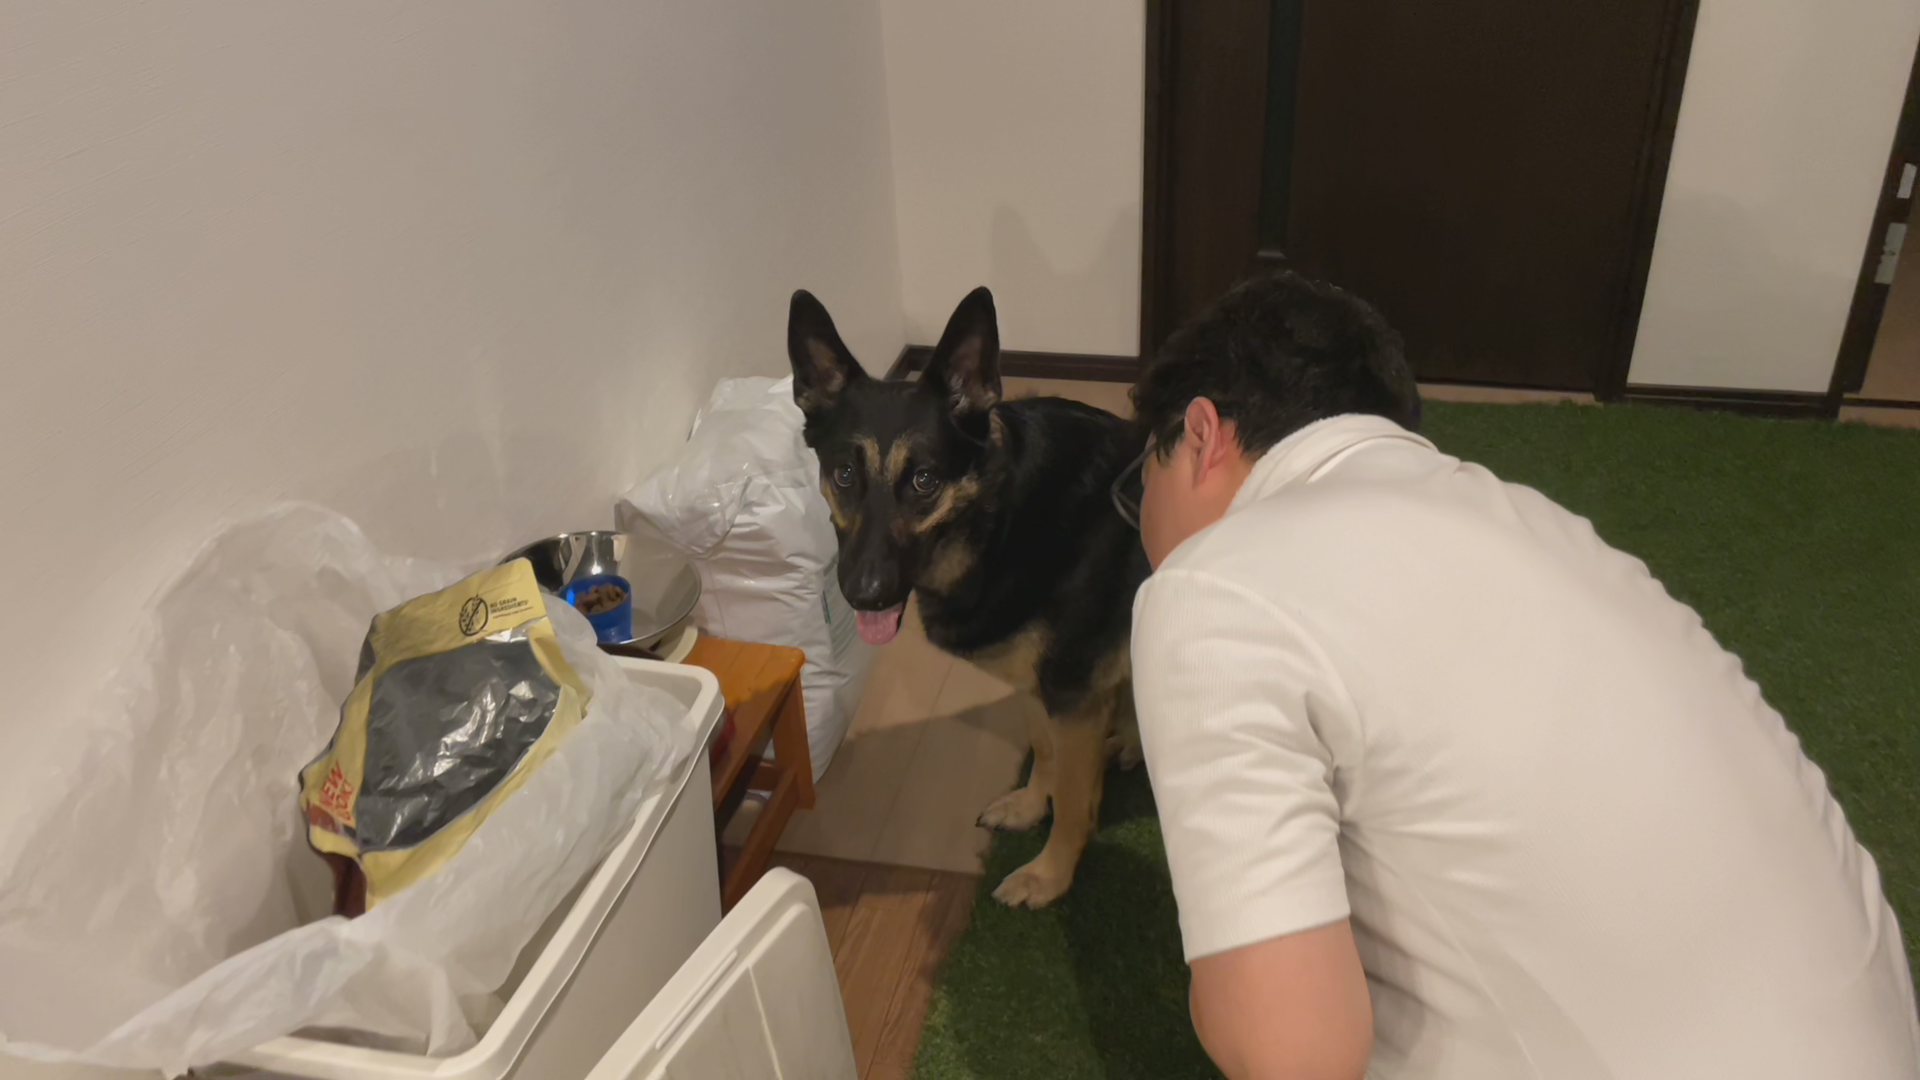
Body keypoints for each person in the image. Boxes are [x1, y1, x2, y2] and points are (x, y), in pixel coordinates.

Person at [1115, 272, 1920, 1080]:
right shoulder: (1542, 523)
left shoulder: (1212, 586)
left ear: (1202, 435)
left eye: (1140, 482)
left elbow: (1293, 1057)